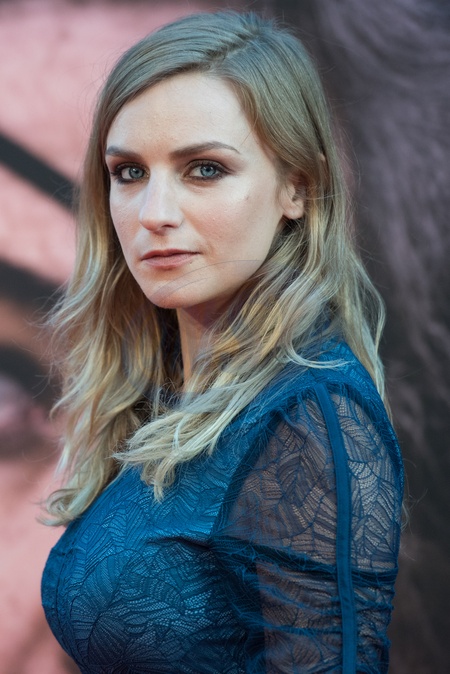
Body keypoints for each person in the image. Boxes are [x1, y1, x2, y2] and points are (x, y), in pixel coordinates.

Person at [41, 11, 403, 673]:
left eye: (204, 169)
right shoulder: (164, 390)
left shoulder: (309, 417)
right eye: (129, 173)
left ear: (298, 187)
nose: (154, 214)